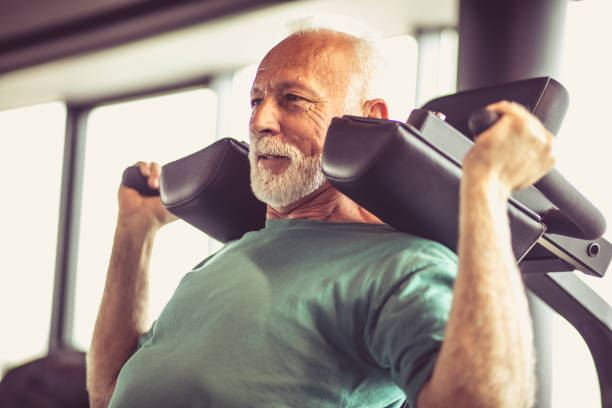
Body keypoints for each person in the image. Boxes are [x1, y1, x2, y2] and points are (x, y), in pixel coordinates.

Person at [86, 22, 555, 408]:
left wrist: (487, 188)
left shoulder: (403, 266)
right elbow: (108, 392)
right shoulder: (223, 261)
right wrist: (134, 230)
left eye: (294, 99)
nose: (260, 121)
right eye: (256, 100)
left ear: (368, 117)